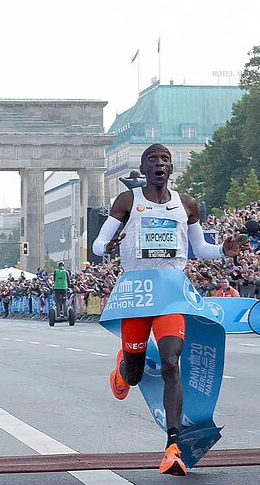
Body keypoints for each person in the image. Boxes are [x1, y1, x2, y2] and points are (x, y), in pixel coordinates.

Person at [92, 143, 240, 476]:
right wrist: (108, 247)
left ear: (171, 169)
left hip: (171, 292)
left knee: (172, 361)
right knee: (134, 374)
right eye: (152, 160)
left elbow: (200, 247)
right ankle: (123, 368)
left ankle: (173, 445)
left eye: (164, 160)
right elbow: (98, 243)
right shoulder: (129, 201)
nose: (159, 164)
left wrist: (223, 251)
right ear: (143, 169)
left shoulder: (186, 204)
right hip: (137, 293)